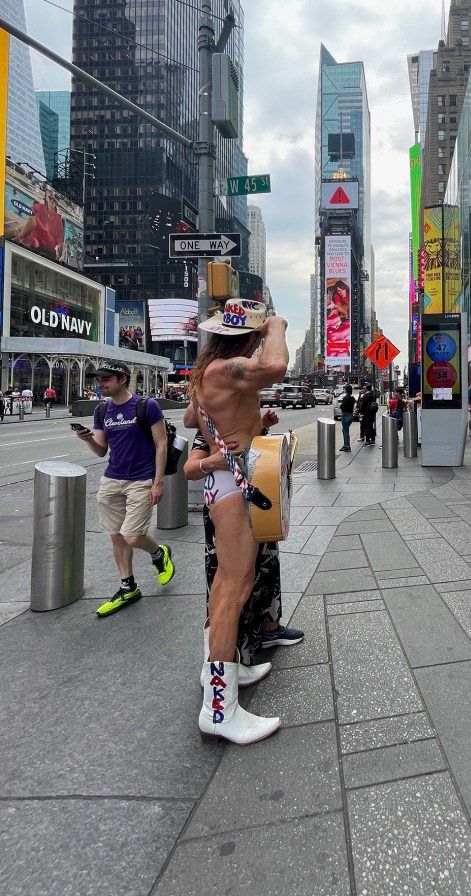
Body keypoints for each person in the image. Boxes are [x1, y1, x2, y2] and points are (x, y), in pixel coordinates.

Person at [188, 298, 288, 745]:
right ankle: (219, 709)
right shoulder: (223, 370)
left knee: (227, 585)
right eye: (256, 336)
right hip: (233, 485)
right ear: (247, 338)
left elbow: (193, 416)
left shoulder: (208, 374)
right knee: (234, 586)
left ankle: (220, 664)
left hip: (229, 481)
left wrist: (248, 419)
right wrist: (276, 326)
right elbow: (277, 367)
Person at [184, 414, 302, 673]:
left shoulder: (246, 423)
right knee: (232, 584)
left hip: (259, 504)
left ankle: (270, 629)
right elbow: (189, 470)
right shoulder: (211, 430)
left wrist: (263, 425)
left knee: (266, 567)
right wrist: (212, 461)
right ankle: (230, 659)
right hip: (228, 513)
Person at [72, 360, 175, 618]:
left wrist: (158, 482)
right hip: (112, 479)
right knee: (116, 535)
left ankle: (159, 553)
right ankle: (128, 586)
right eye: (98, 379)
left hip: (141, 479)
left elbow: (161, 444)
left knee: (132, 536)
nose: (101, 384)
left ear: (123, 379)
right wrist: (88, 439)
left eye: (106, 379)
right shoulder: (102, 409)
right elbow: (101, 450)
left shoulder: (147, 406)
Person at [339, 384, 355, 452]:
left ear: (346, 390)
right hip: (350, 414)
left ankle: (347, 446)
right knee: (345, 430)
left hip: (345, 414)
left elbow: (342, 406)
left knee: (345, 431)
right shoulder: (352, 398)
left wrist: (341, 407)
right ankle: (345, 445)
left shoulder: (345, 398)